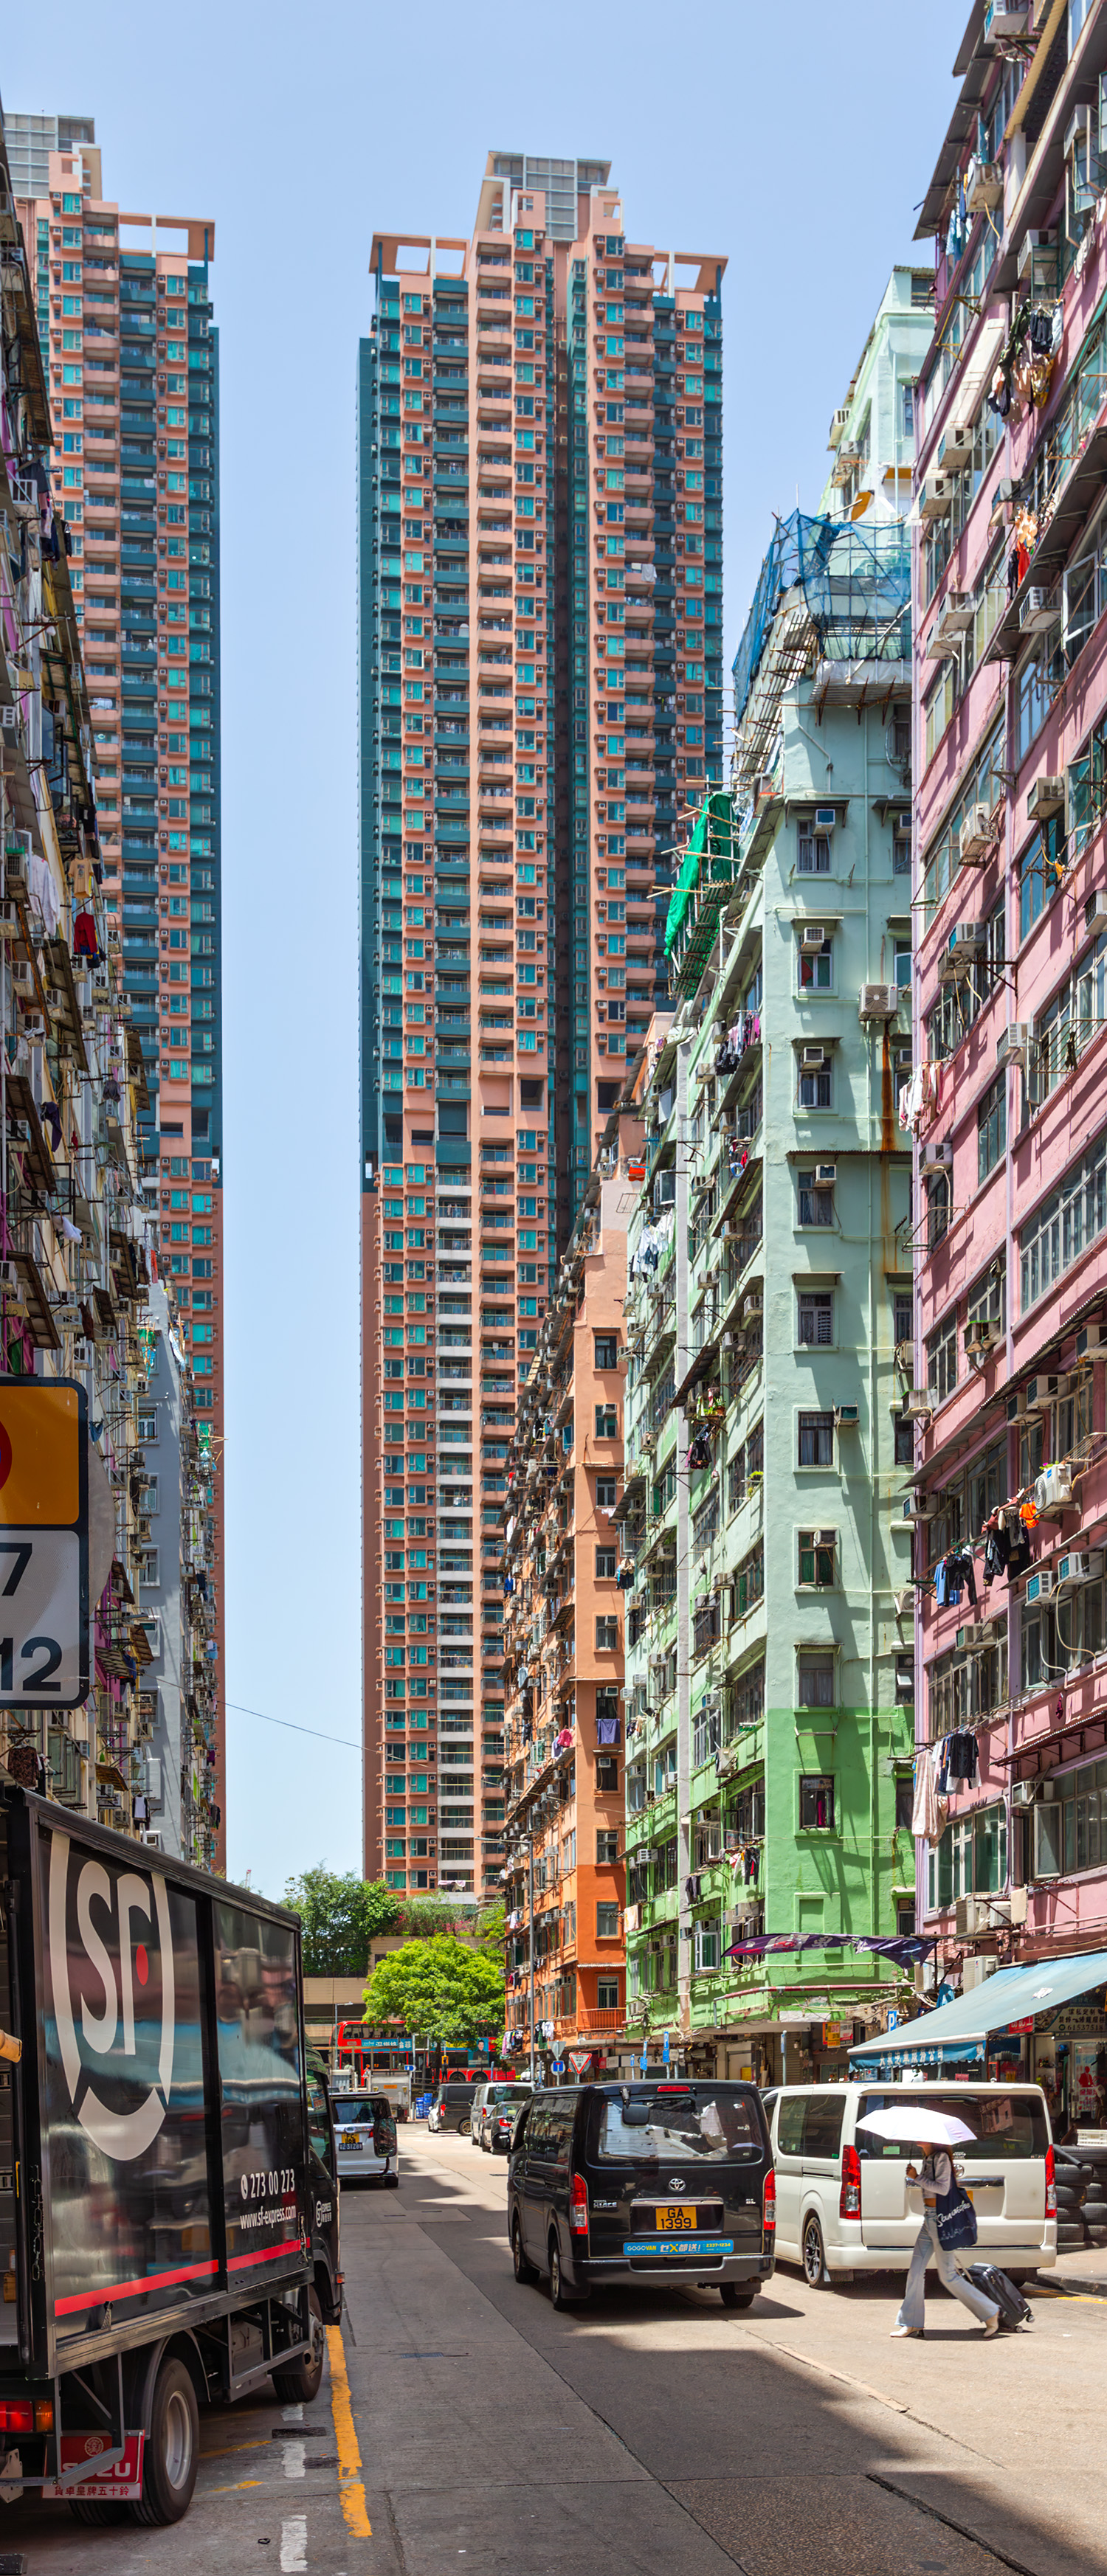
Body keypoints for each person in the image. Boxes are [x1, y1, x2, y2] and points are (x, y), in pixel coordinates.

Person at [891, 2144, 1001, 2339]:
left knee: (948, 2275)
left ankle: (990, 2312)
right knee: (915, 2272)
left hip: (940, 2220)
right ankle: (911, 2323)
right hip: (929, 2219)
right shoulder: (928, 2158)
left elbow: (942, 2189)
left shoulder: (940, 2157)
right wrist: (917, 2176)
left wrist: (916, 2177)